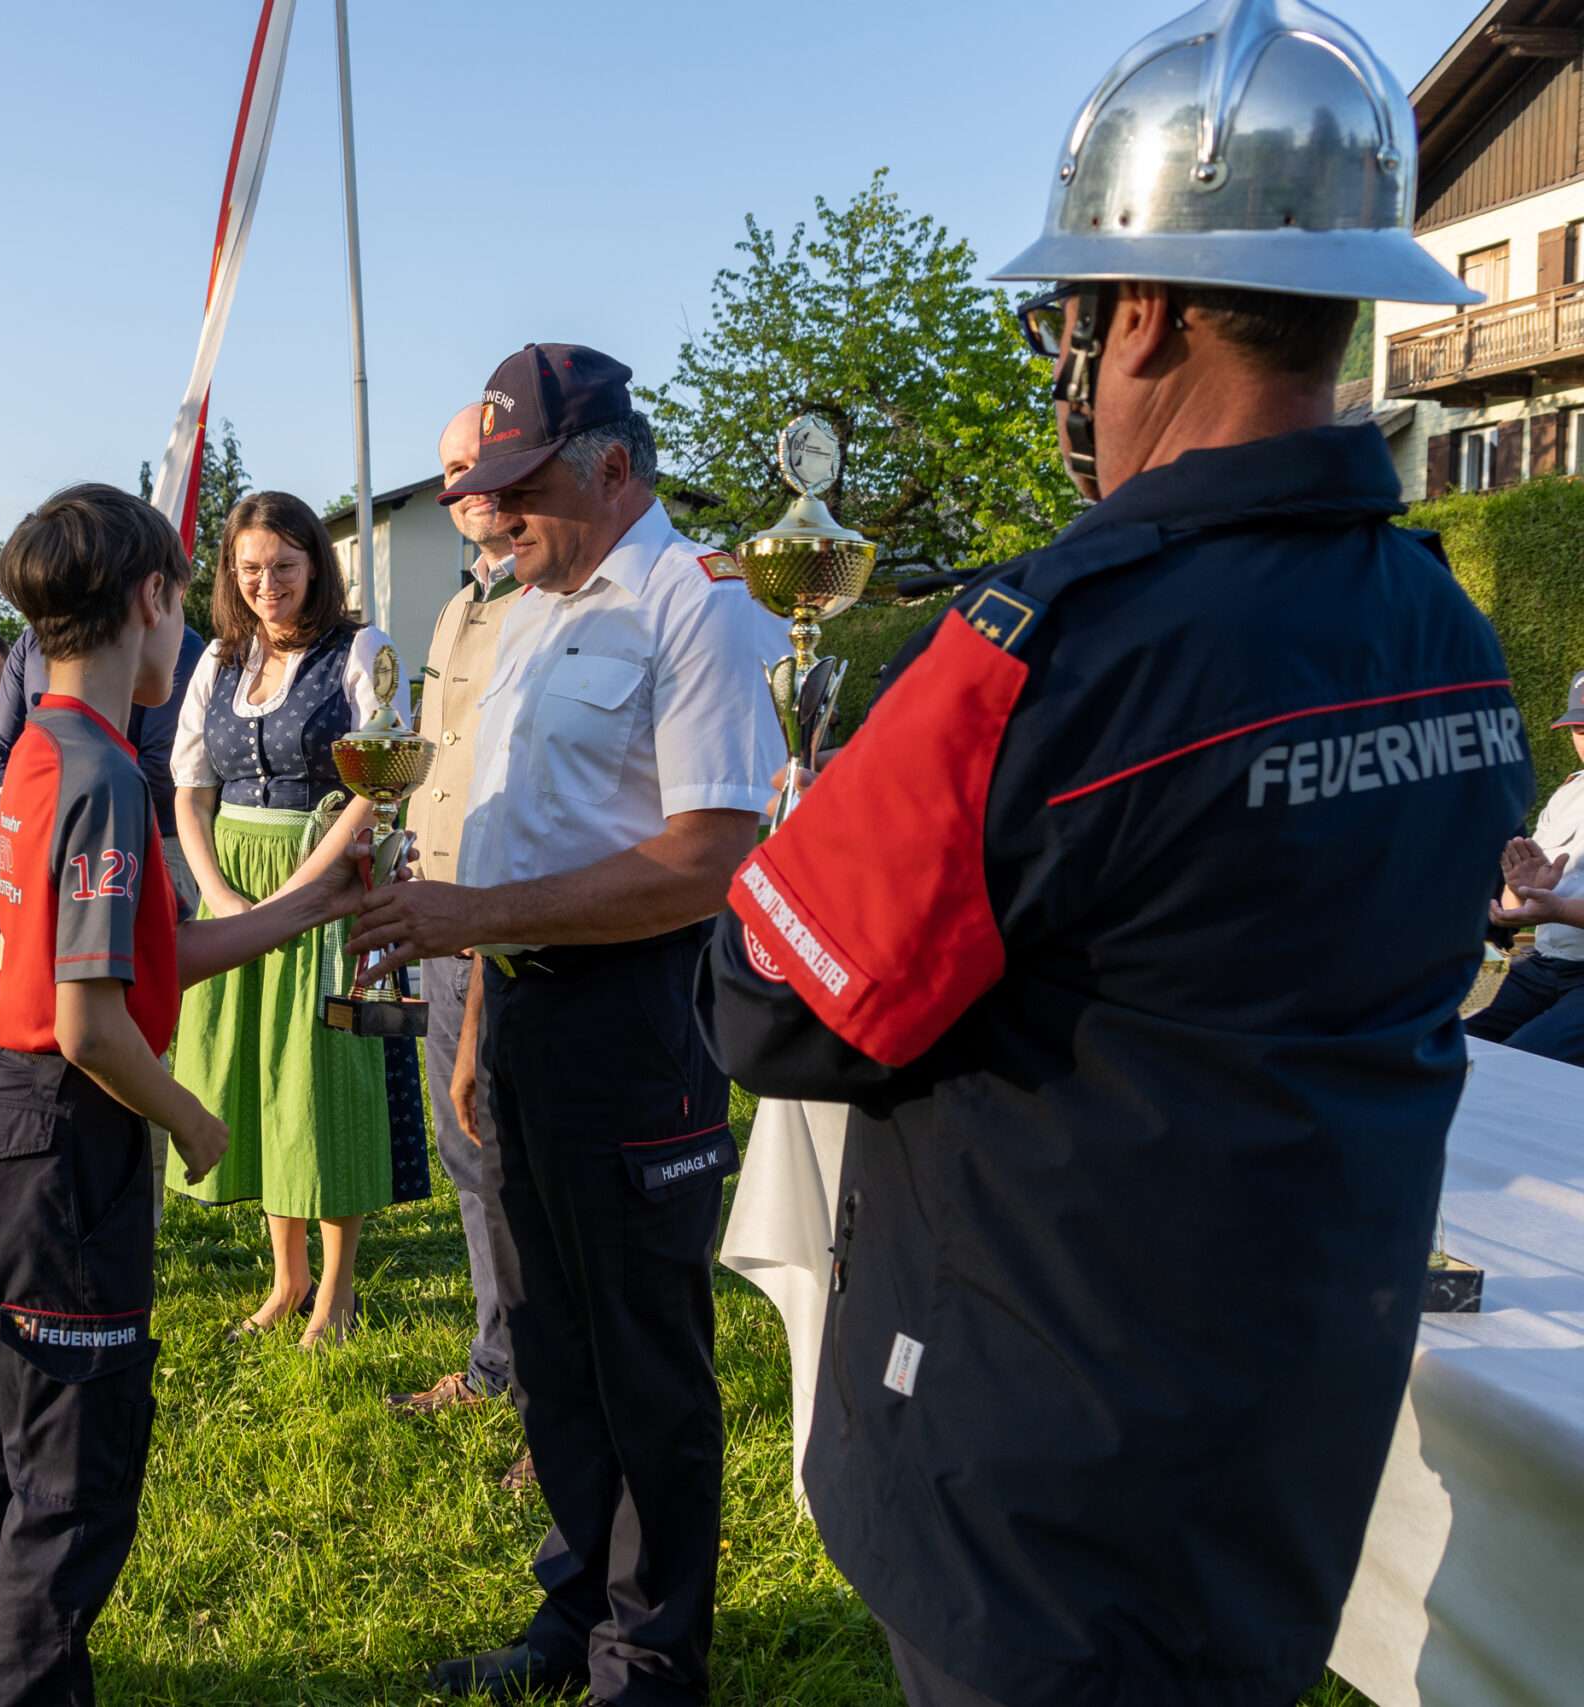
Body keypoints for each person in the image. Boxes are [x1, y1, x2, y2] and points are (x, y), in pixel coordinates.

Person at [685, 10, 1533, 1705]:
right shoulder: (1447, 628)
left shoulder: (1047, 649)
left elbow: (776, 1010)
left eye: (1071, 322)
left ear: (1136, 311)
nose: (1070, 367)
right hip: (1285, 1428)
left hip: (1040, 1476)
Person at [0, 482, 377, 1707]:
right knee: (76, 1478)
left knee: (1, 1435)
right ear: (156, 603)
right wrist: (195, 1122)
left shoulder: (52, 746)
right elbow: (97, 1022)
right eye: (185, 609)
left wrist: (300, 908)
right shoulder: (103, 775)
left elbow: (137, 953)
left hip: (6, 1114)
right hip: (65, 1134)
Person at [346, 343, 785, 1703]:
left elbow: (711, 856)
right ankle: (576, 1600)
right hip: (526, 1005)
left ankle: (650, 1655)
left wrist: (477, 926)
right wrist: (481, 1016)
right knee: (545, 1337)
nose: (495, 515)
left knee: (642, 1348)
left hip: (640, 1011)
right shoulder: (530, 606)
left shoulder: (695, 603)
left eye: (518, 487)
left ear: (610, 463)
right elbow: (513, 824)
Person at [167, 489, 424, 1348]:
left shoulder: (362, 649)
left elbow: (377, 783)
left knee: (321, 1084)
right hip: (234, 878)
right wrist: (221, 893)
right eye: (249, 569)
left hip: (324, 880)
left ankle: (338, 1290)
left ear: (316, 562)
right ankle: (286, 1278)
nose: (266, 583)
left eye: (282, 565)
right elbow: (191, 793)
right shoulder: (219, 661)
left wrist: (299, 896)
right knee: (259, 1080)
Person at [384, 402, 529, 1467]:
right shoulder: (458, 605)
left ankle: (558, 1390)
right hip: (444, 917)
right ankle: (499, 1360)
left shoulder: (566, 598)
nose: (459, 485)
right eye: (446, 470)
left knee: (531, 1164)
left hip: (524, 921)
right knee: (467, 1154)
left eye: (477, 463)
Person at [0, 620, 208, 912]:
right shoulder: (32, 642)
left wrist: (32, 804)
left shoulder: (167, 637)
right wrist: (0, 828)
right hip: (36, 844)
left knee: (152, 953)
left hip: (147, 842)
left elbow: (161, 766)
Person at [1472, 668, 1584, 1063]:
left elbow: (1555, 907)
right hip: (1547, 963)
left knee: (1522, 1061)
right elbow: (1521, 898)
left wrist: (1558, 910)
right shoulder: (1569, 795)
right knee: (1452, 1030)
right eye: (1580, 730)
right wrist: (1515, 896)